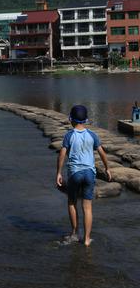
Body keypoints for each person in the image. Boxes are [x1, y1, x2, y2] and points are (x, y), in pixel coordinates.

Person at [56, 105, 112, 246]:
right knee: (87, 207)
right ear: (86, 120)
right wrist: (107, 168)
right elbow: (102, 152)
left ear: (71, 119)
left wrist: (58, 172)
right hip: (89, 173)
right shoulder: (92, 135)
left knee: (71, 201)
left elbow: (62, 153)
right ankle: (87, 239)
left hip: (75, 173)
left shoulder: (69, 135)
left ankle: (74, 233)